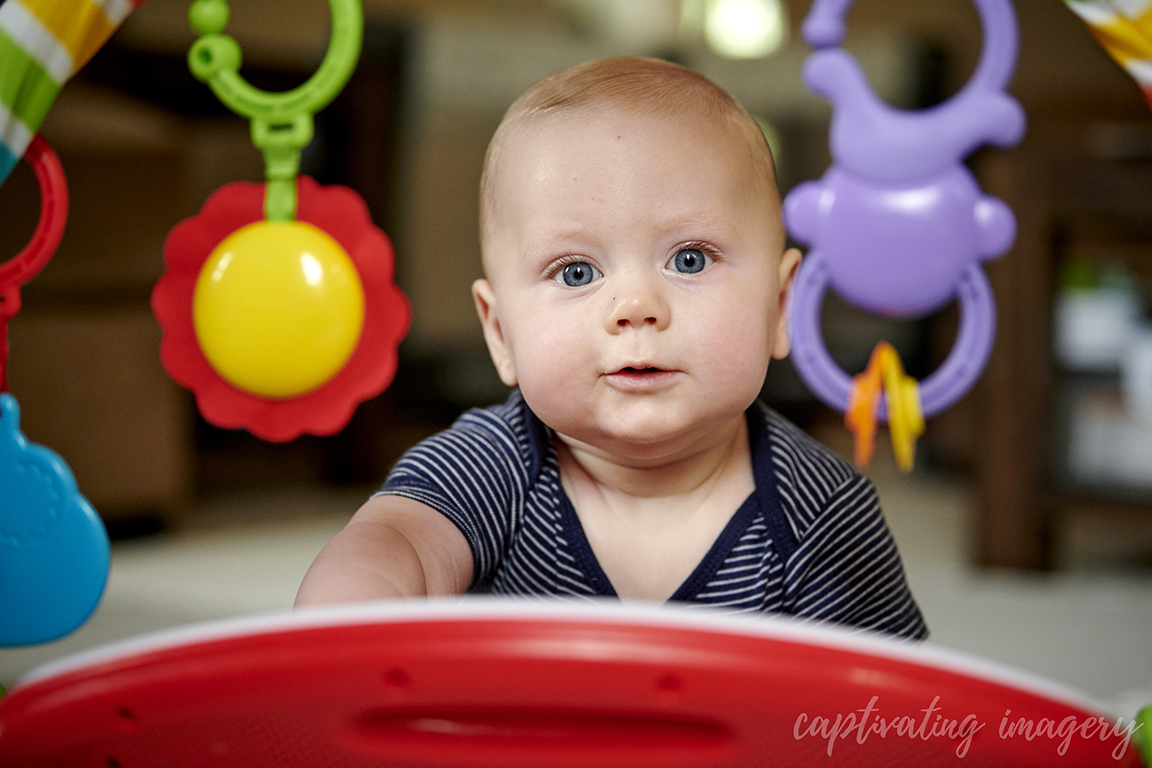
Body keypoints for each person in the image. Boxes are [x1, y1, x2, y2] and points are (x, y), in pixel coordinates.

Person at [296, 56, 928, 641]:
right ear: (500, 334)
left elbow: (891, 708)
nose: (636, 306)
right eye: (576, 272)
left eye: (689, 258)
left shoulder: (822, 512)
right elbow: (394, 546)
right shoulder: (489, 468)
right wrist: (347, 623)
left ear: (781, 307)